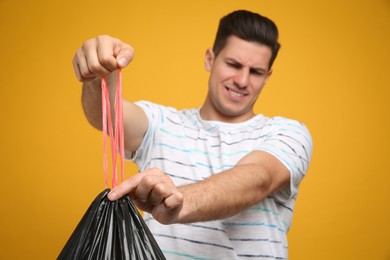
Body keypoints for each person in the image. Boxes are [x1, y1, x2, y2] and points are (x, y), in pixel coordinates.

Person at [73, 10, 312, 259]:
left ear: (267, 77)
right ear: (210, 59)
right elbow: (106, 115)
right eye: (233, 64)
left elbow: (258, 179)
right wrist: (100, 73)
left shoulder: (288, 133)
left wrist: (178, 202)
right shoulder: (161, 123)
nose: (242, 80)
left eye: (256, 72)